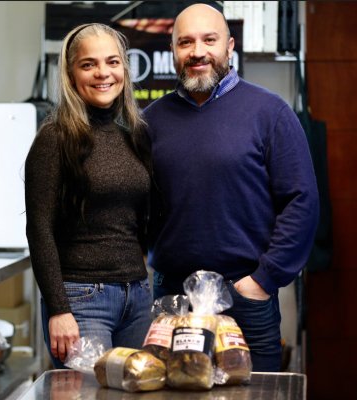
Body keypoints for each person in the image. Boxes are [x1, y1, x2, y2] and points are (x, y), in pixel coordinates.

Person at [143, 3, 319, 372]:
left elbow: (301, 201)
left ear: (230, 46)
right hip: (171, 297)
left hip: (245, 297)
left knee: (255, 394)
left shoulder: (271, 113)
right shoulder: (150, 121)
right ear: (173, 50)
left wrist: (263, 280)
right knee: (175, 395)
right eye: (185, 42)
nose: (198, 52)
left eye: (210, 40)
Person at [24, 23, 153, 368]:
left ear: (124, 68)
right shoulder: (55, 138)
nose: (103, 73)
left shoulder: (134, 136)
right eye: (88, 64)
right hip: (82, 300)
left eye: (112, 62)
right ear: (70, 73)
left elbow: (139, 221)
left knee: (139, 391)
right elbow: (39, 229)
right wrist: (59, 309)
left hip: (137, 296)